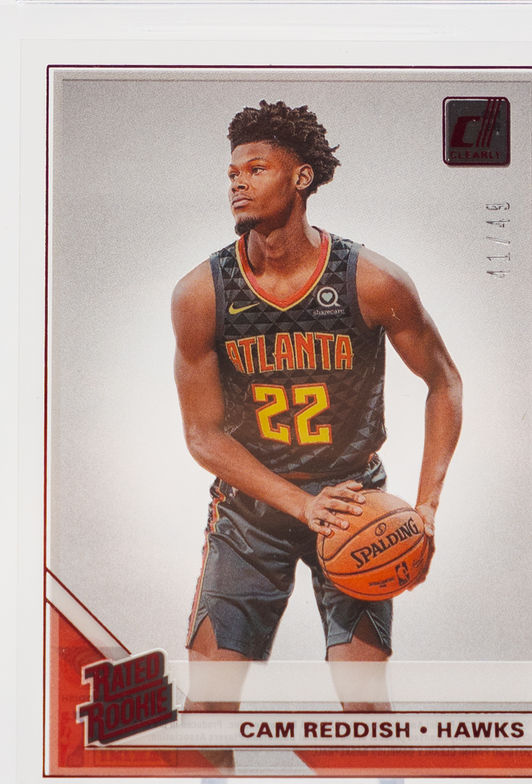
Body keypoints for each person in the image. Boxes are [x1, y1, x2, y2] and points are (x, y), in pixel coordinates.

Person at [172, 100, 462, 712]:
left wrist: (428, 505)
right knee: (209, 709)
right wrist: (302, 504)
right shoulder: (202, 293)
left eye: (256, 169)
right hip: (251, 510)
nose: (238, 182)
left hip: (353, 502)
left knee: (364, 706)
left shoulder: (371, 280)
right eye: (233, 173)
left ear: (301, 177)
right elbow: (202, 435)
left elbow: (444, 383)